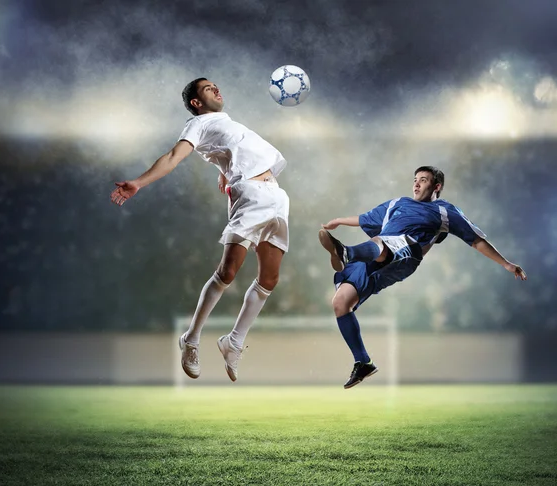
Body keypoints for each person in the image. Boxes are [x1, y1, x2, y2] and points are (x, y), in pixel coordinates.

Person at [110, 78, 289, 382]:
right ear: (196, 103)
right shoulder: (199, 124)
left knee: (270, 279)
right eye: (208, 88)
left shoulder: (227, 123)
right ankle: (191, 339)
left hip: (276, 196)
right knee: (228, 272)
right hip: (250, 196)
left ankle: (233, 342)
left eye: (216, 85)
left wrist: (223, 168)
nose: (216, 89)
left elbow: (228, 151)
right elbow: (172, 157)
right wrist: (138, 183)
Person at [318, 166, 527, 389]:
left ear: (436, 187)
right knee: (340, 302)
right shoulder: (397, 203)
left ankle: (346, 253)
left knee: (381, 242)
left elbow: (475, 240)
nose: (416, 184)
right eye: (415, 179)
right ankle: (363, 362)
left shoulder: (444, 211)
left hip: (407, 252)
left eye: (424, 180)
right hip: (377, 256)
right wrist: (339, 220)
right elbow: (364, 218)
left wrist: (506, 263)